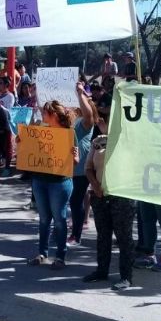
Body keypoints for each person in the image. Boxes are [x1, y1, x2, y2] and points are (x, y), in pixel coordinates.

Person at [83, 115, 136, 291]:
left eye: (105, 121)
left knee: (124, 238)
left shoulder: (128, 141)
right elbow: (88, 167)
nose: (101, 123)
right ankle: (101, 270)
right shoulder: (97, 142)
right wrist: (95, 185)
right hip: (100, 196)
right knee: (103, 236)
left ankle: (126, 277)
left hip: (121, 197)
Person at [25, 100, 80, 270]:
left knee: (59, 220)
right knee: (43, 219)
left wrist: (74, 155)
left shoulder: (69, 133)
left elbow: (75, 162)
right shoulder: (41, 130)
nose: (42, 116)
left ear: (53, 115)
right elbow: (28, 149)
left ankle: (60, 257)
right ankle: (42, 253)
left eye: (44, 114)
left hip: (60, 183)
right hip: (40, 180)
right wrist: (23, 141)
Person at [68, 82, 97, 247]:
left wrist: (80, 94)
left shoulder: (87, 122)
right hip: (67, 167)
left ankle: (76, 235)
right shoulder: (72, 121)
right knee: (70, 201)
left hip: (80, 169)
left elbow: (87, 114)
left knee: (76, 201)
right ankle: (71, 230)